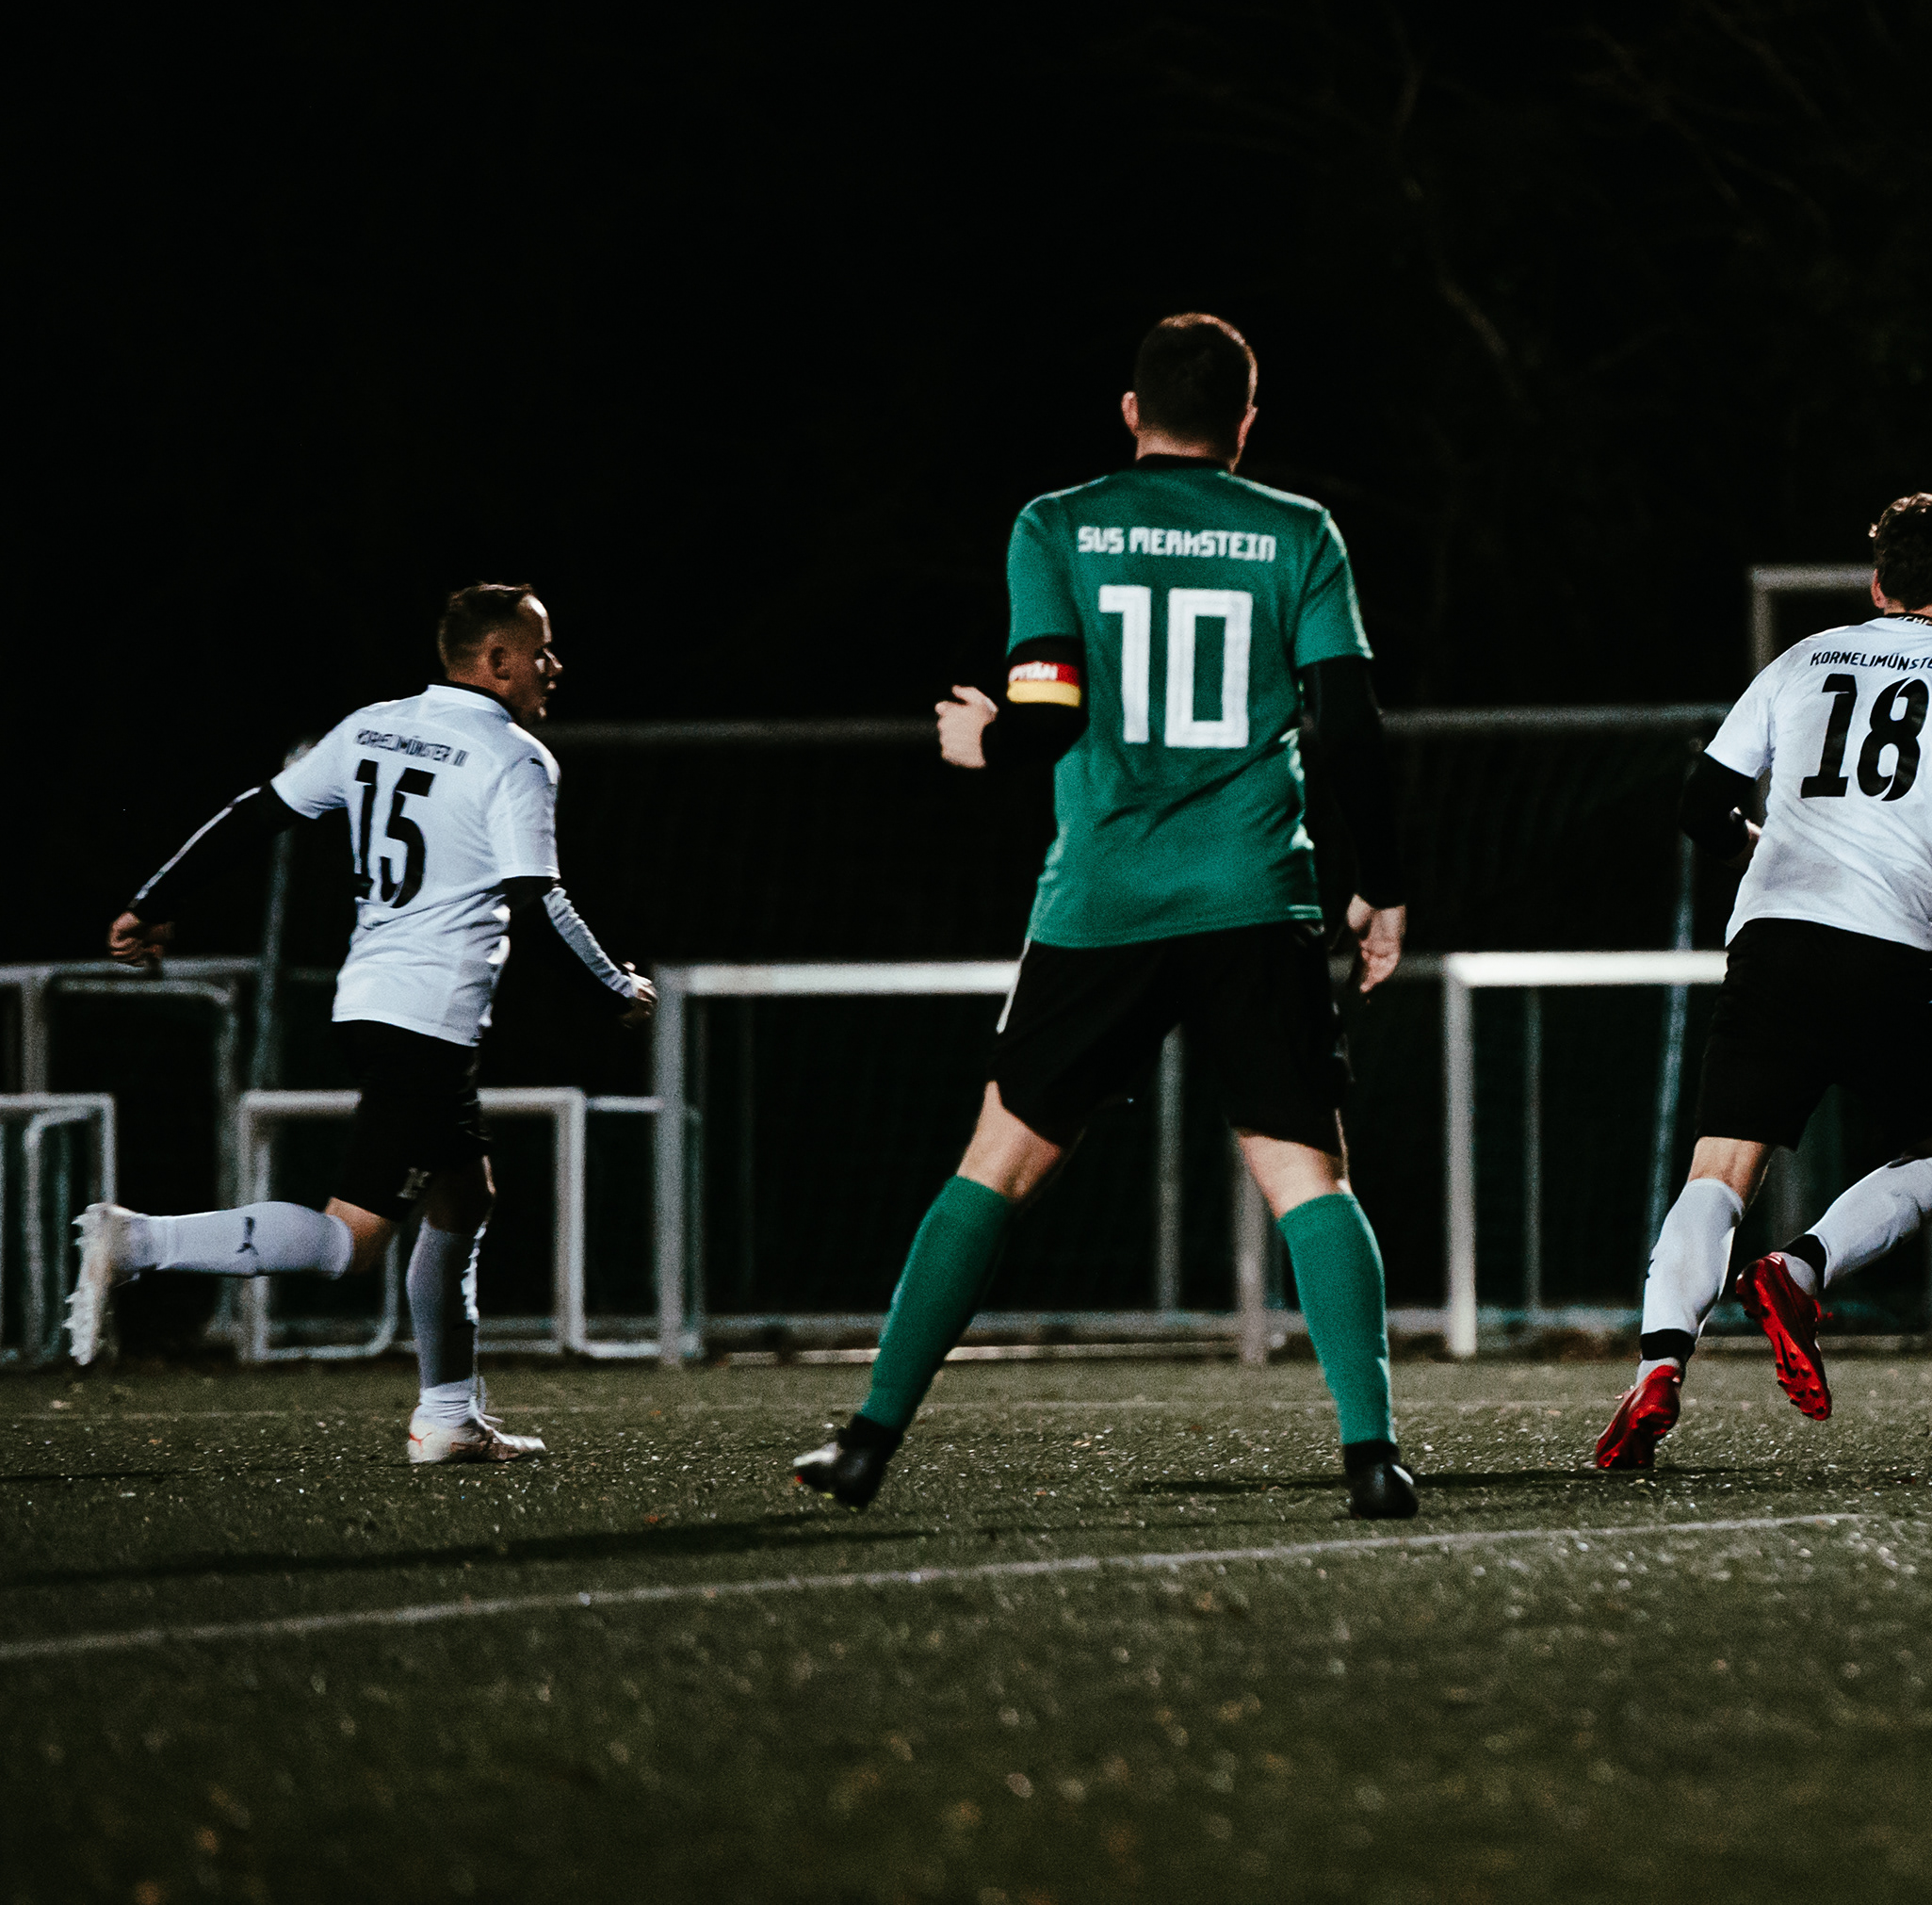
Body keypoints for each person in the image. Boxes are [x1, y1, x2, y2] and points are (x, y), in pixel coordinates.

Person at [793, 312, 1419, 1518]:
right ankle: (1372, 1456)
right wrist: (1381, 882)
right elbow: (1348, 721)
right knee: (1308, 1177)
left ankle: (868, 1441)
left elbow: (1048, 711)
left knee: (996, 1162)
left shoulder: (1057, 523)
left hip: (1103, 901)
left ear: (1131, 411)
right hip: (1252, 894)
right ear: (1245, 421)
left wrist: (983, 740)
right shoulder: (1300, 530)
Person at [71, 585, 654, 1462]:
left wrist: (153, 900)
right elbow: (540, 898)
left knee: (465, 1197)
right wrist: (615, 987)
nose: (553, 665)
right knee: (350, 1241)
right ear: (496, 659)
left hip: (368, 999)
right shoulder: (515, 757)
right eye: (540, 649)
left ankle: (448, 1416)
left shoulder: (372, 726)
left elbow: (256, 813)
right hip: (429, 1016)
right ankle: (140, 1239)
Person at [1595, 492, 1932, 1473]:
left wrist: (1758, 845)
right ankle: (1802, 1268)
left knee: (1720, 1170)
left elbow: (1701, 804)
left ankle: (1658, 1364)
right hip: (1888, 947)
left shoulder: (1802, 659)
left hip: (1772, 940)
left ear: (1877, 583)